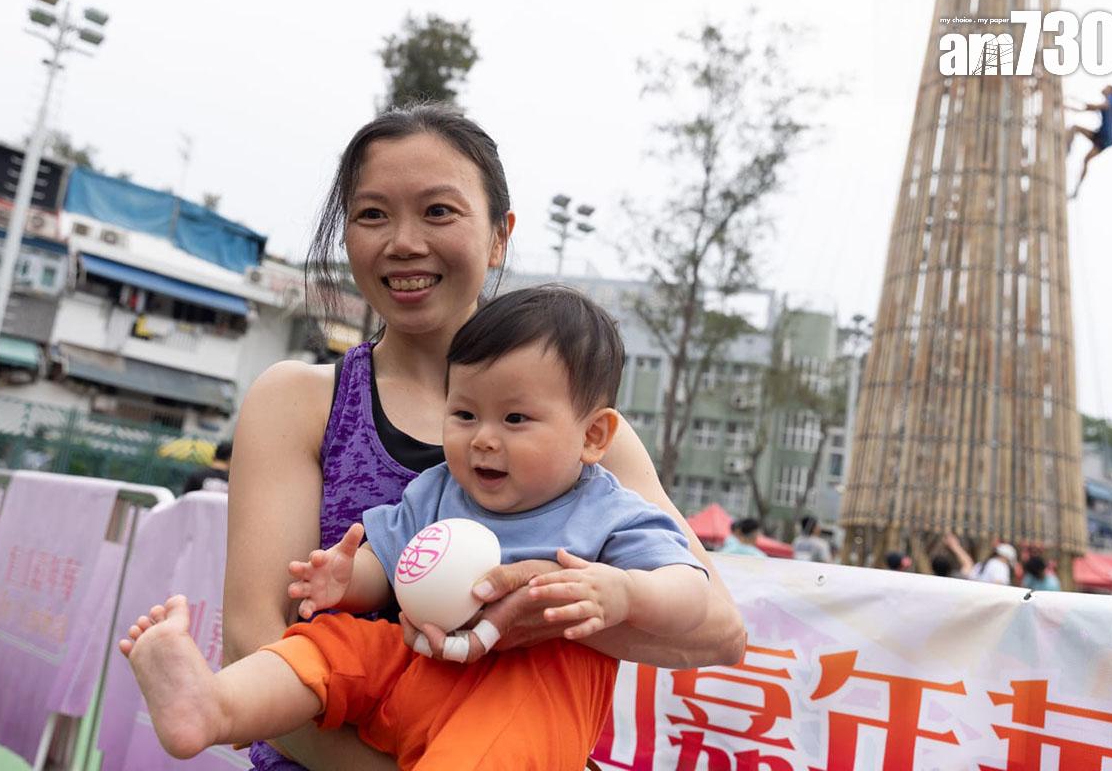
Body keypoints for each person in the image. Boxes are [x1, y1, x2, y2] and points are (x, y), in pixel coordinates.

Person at [221, 103, 745, 770]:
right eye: (372, 214)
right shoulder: (299, 402)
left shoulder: (582, 435)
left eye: (438, 211)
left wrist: (539, 609)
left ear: (500, 237)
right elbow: (251, 643)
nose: (403, 242)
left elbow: (719, 632)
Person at [122, 286, 710, 769]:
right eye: (464, 414)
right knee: (328, 647)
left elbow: (692, 592)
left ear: (593, 436)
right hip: (414, 660)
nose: (483, 438)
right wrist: (347, 580)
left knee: (488, 749)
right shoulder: (440, 488)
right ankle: (215, 705)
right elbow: (389, 561)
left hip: (520, 693)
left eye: (515, 418)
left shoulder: (608, 510)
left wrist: (624, 592)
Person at [1066, 84, 1112, 198]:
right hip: (1104, 138)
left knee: (1075, 128)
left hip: (1104, 137)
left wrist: (1084, 104)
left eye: (1106, 87)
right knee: (1086, 159)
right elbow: (1087, 108)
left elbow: (1098, 107)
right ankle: (1076, 190)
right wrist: (1068, 106)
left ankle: (1066, 151)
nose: (1103, 88)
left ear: (1111, 90)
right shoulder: (1110, 103)